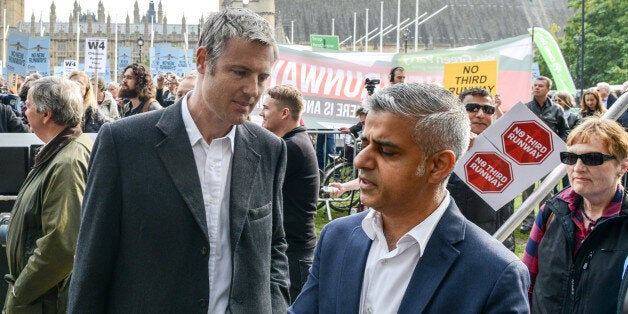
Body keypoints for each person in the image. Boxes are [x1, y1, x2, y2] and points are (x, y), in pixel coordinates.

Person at [68, 8, 289, 313]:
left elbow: (274, 248)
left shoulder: (269, 149)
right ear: (202, 61)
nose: (253, 90)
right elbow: (92, 265)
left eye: (262, 77)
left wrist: (276, 305)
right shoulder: (124, 143)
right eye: (239, 72)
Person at [290, 83, 530, 313]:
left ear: (438, 165)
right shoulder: (336, 237)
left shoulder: (495, 273)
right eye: (364, 143)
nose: (360, 160)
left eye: (387, 151)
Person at [4, 76, 92, 313]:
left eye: (29, 106)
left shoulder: (67, 162)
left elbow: (62, 245)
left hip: (46, 301)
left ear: (46, 114)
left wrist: (18, 294)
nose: (24, 112)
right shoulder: (62, 150)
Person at [522, 118, 628, 313]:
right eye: (570, 158)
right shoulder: (551, 212)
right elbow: (526, 284)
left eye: (592, 158)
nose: (578, 167)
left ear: (622, 166)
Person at [259, 85, 319, 301]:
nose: (260, 113)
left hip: (293, 255)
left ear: (284, 113)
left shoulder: (292, 147)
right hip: (294, 251)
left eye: (266, 108)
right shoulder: (295, 141)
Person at [447, 87, 515, 251]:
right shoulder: (443, 150)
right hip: (457, 247)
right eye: (472, 108)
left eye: (488, 109)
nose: (480, 114)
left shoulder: (507, 149)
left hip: (500, 244)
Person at [520, 76, 570, 233]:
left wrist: (558, 146)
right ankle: (527, 222)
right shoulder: (526, 108)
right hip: (527, 158)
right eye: (534, 85)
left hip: (548, 158)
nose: (536, 88)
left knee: (546, 191)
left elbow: (565, 130)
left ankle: (544, 220)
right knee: (527, 191)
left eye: (540, 86)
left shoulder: (557, 109)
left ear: (548, 89)